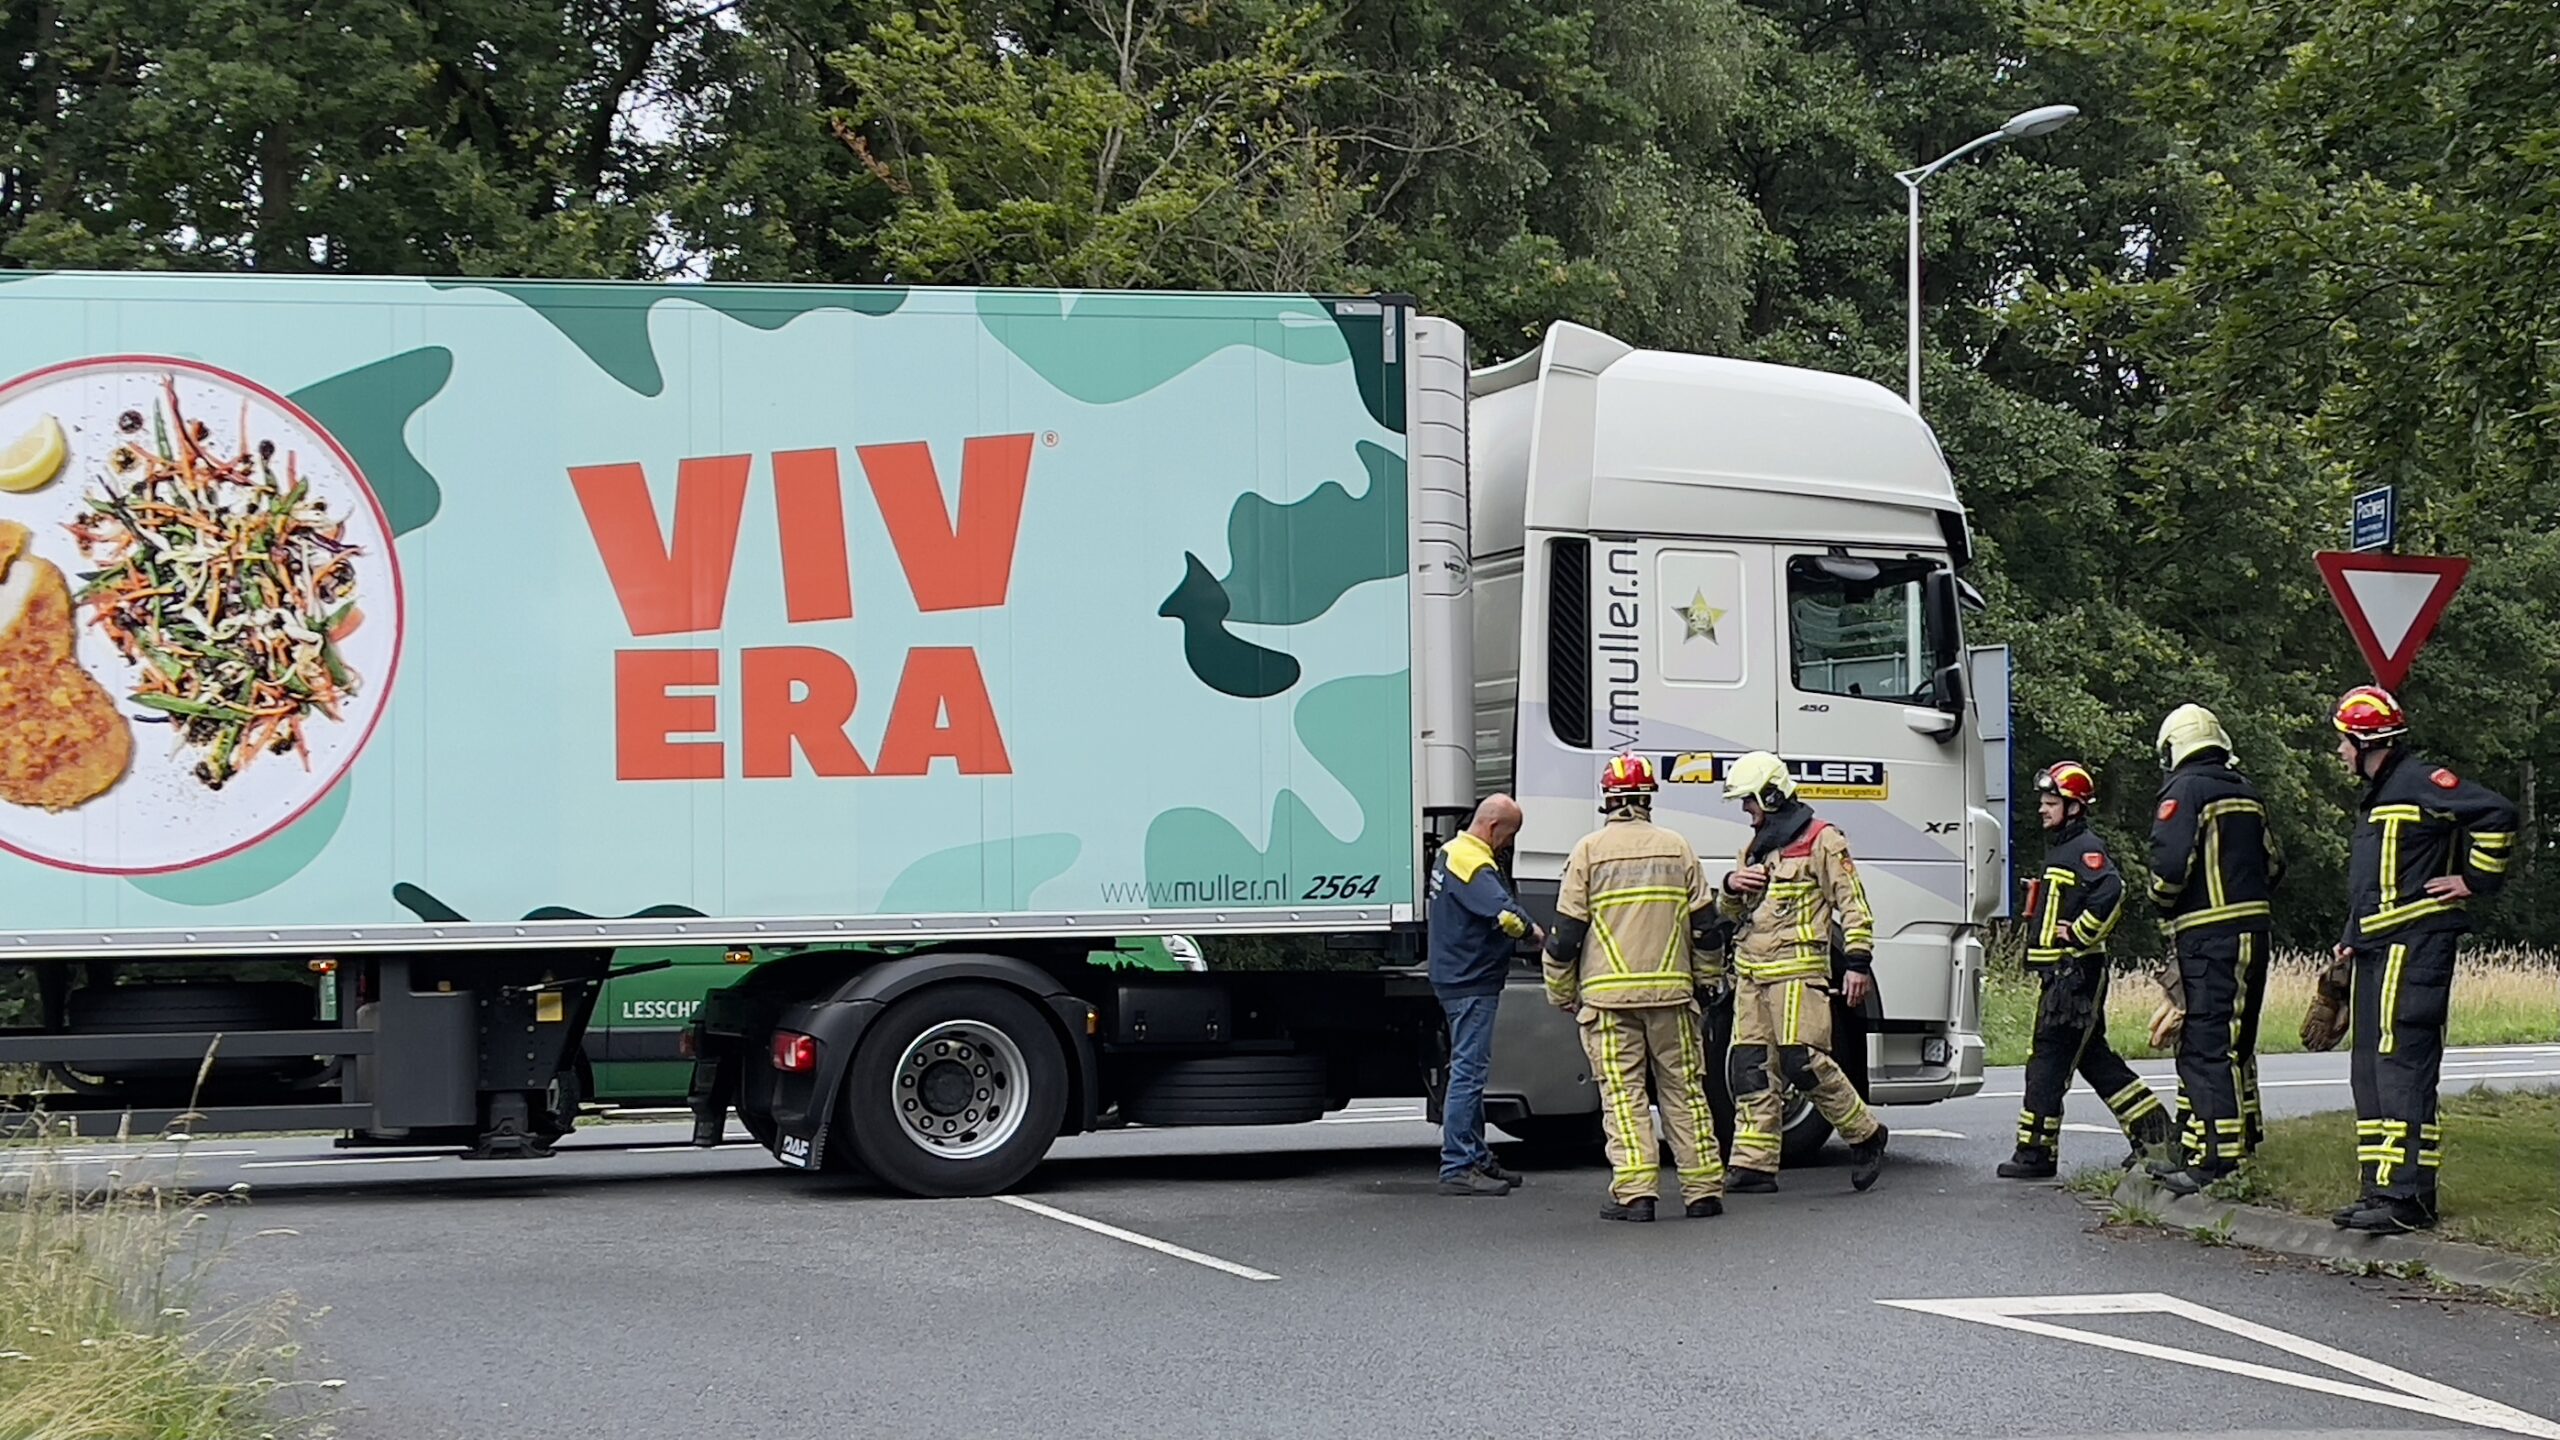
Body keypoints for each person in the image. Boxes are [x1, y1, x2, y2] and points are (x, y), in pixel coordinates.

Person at [2329, 685, 2517, 1233]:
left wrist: (2474, 880)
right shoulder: (2382, 795)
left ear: (2366, 742)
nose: (2339, 753)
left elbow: (2496, 813)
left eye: (2343, 742)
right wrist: (2350, 936)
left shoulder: (2421, 783)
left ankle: (2409, 1198)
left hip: (2416, 946)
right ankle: (2380, 1189)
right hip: (2378, 948)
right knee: (2371, 1068)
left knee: (2401, 1064)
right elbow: (2373, 882)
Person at [1541, 754, 1726, 1223]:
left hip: (1608, 1001)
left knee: (1624, 1098)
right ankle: (1703, 1191)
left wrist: (1560, 991)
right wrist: (1705, 981)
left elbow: (1565, 935)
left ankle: (1637, 1194)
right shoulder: (1678, 848)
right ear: (1648, 799)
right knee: (1684, 1091)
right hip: (1672, 997)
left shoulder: (1588, 851)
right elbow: (1706, 928)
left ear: (1608, 799)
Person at [1715, 751, 1888, 1194]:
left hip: (1796, 972)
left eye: (1749, 801)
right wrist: (1731, 887)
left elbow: (1854, 906)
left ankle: (1866, 1134)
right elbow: (1732, 913)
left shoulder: (1823, 840)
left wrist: (1857, 963)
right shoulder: (1755, 848)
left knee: (1802, 1062)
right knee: (1749, 1068)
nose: (1746, 811)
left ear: (1771, 796)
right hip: (1752, 973)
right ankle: (1753, 1165)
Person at [2000, 761, 2174, 1179]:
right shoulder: (2063, 848)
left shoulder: (2085, 849)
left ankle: (2036, 1153)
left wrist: (2077, 934)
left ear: (2073, 807)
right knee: (2095, 1061)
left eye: (2050, 802)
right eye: (2042, 802)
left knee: (2048, 1062)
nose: (2042, 809)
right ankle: (2158, 1137)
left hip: (2075, 975)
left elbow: (2113, 890)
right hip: (2061, 974)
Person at [2145, 703, 2285, 1194]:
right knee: (2236, 1044)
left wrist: (2163, 903)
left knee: (2205, 1046)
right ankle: (2237, 1143)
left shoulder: (2184, 791)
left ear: (2173, 748)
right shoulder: (2246, 791)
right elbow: (2273, 863)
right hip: (2255, 932)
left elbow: (2168, 869)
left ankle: (2214, 1162)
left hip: (2207, 938)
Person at [1427, 793, 1540, 1197]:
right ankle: (1458, 1164)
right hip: (1469, 979)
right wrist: (1536, 934)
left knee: (1467, 1070)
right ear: (1494, 828)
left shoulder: (1452, 851)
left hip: (1455, 974)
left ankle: (1475, 1156)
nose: (1508, 846)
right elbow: (1505, 915)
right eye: (1509, 836)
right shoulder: (1473, 862)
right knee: (1469, 1073)